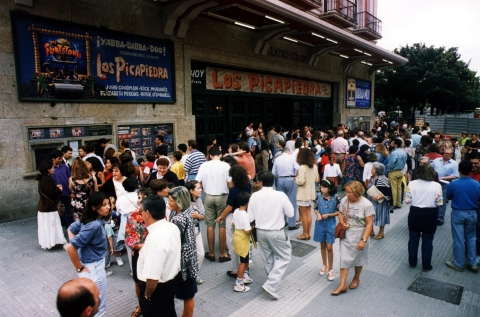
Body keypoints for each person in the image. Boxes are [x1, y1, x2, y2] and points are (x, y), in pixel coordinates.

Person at [247, 171, 294, 299]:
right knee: (284, 256)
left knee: (267, 258)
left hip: (260, 231)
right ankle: (271, 284)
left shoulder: (254, 196)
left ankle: (270, 282)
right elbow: (290, 213)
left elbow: (250, 217)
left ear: (261, 182)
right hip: (276, 231)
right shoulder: (280, 195)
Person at [65, 191, 110, 317]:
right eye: (104, 205)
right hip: (94, 267)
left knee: (92, 303)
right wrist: (79, 268)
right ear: (94, 207)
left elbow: (70, 229)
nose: (108, 207)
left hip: (91, 265)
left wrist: (79, 249)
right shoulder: (94, 225)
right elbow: (70, 248)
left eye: (108, 204)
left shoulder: (90, 220)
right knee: (99, 305)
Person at [137, 195, 181, 317]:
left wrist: (147, 295)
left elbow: (153, 276)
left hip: (157, 289)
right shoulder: (172, 227)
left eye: (141, 211)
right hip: (171, 282)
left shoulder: (156, 238)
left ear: (147, 213)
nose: (140, 214)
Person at [332, 181, 374, 296]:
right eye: (346, 191)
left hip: (360, 233)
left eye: (349, 192)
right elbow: (340, 213)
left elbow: (369, 224)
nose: (346, 194)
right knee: (344, 258)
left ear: (357, 192)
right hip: (347, 233)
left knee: (359, 258)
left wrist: (363, 240)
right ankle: (342, 284)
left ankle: (356, 278)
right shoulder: (345, 200)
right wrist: (342, 223)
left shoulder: (367, 204)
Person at [404, 163, 443, 271]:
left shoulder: (412, 184)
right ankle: (426, 265)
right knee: (428, 240)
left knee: (413, 238)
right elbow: (439, 203)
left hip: (415, 212)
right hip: (430, 214)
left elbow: (407, 200)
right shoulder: (437, 185)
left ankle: (412, 262)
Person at [215, 165, 252, 278]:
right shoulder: (248, 186)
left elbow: (229, 207)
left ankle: (236, 269)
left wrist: (220, 217)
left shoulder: (234, 190)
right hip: (245, 215)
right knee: (245, 243)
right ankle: (245, 266)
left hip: (233, 216)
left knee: (232, 243)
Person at [196, 146, 232, 262]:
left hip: (208, 197)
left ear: (210, 155)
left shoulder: (204, 165)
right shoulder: (226, 166)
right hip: (222, 197)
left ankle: (211, 253)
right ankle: (222, 254)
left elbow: (198, 183)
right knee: (222, 225)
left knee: (210, 225)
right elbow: (230, 184)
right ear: (220, 155)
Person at [168, 187, 198, 317]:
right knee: (188, 294)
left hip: (183, 261)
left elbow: (173, 241)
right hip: (189, 258)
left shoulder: (178, 218)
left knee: (187, 295)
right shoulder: (183, 212)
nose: (168, 203)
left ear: (179, 201)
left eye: (171, 201)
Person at [445, 160, 480, 273]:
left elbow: (449, 197)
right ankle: (472, 262)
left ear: (459, 170)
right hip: (472, 213)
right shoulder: (476, 184)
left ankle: (459, 264)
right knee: (471, 237)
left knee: (459, 239)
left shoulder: (453, 184)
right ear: (471, 170)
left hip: (458, 213)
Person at [125, 188, 151, 317]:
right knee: (138, 281)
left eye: (144, 198)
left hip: (152, 253)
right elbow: (128, 235)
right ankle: (141, 305)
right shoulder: (131, 215)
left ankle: (151, 304)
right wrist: (137, 246)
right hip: (137, 252)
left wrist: (145, 247)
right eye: (139, 197)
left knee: (152, 279)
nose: (140, 201)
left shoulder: (158, 214)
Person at [36, 160, 67, 249]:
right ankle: (52, 242)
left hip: (45, 206)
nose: (53, 169)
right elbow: (50, 192)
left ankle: (48, 242)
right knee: (51, 224)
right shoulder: (46, 179)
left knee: (47, 225)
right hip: (48, 207)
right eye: (52, 168)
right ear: (48, 170)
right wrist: (59, 189)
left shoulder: (44, 178)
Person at [313, 180, 340, 281]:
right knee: (322, 245)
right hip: (320, 224)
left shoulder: (336, 198)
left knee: (329, 247)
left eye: (324, 187)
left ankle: (331, 269)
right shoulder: (318, 196)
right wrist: (318, 214)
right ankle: (325, 265)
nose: (321, 189)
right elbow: (315, 208)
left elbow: (339, 212)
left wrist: (329, 215)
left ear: (329, 188)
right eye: (321, 187)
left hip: (330, 225)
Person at [272, 144, 299, 230]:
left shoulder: (277, 159)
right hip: (291, 178)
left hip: (280, 179)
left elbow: (273, 173)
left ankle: (283, 221)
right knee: (292, 201)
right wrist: (296, 176)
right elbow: (297, 168)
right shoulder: (292, 158)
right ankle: (292, 223)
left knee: (281, 202)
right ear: (288, 151)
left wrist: (280, 177)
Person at [295, 148, 319, 240]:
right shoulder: (314, 167)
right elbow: (317, 179)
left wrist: (296, 178)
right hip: (311, 192)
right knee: (308, 213)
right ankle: (308, 233)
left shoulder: (302, 168)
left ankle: (305, 233)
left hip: (303, 193)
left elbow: (300, 181)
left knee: (303, 214)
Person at [431, 148, 459, 226]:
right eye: (445, 153)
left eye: (448, 154)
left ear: (451, 155)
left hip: (444, 184)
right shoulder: (436, 160)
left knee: (442, 202)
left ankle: (440, 218)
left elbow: (455, 176)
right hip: (434, 183)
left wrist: (442, 178)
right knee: (432, 200)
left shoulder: (454, 163)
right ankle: (432, 216)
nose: (446, 154)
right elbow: (430, 169)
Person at [186, 180, 206, 284]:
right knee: (188, 255)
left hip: (197, 231)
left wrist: (198, 216)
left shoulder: (199, 201)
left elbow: (203, 216)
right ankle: (189, 275)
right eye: (198, 188)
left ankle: (194, 273)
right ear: (191, 191)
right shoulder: (184, 202)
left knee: (200, 254)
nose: (200, 190)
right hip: (186, 233)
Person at [232, 192, 252, 292]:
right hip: (243, 239)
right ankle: (239, 283)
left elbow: (233, 223)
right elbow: (247, 230)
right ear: (248, 203)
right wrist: (253, 228)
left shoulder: (236, 211)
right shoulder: (245, 215)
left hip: (237, 236)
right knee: (243, 262)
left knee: (245, 259)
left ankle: (244, 277)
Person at [368, 162, 392, 240]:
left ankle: (381, 233)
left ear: (377, 171)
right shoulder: (372, 178)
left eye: (372, 169)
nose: (371, 170)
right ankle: (371, 231)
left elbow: (388, 192)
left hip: (380, 202)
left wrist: (378, 197)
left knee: (381, 216)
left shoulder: (382, 180)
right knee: (370, 215)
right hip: (372, 200)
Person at [51, 149, 73, 227]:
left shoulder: (64, 167)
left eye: (61, 158)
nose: (61, 160)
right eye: (59, 159)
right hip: (57, 194)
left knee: (69, 212)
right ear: (53, 158)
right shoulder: (51, 169)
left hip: (67, 192)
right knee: (59, 213)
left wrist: (71, 191)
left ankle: (70, 228)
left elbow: (69, 178)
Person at [387, 139, 407, 209]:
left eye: (393, 143)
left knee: (393, 188)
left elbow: (391, 164)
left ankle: (394, 203)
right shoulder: (403, 152)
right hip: (401, 171)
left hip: (393, 171)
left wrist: (388, 170)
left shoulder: (394, 153)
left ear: (396, 144)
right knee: (399, 188)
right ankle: (399, 203)